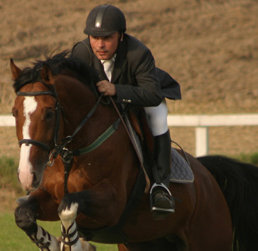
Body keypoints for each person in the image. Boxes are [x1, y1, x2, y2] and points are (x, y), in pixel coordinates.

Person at [71, 4, 181, 218]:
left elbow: (151, 94)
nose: (100, 45)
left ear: (121, 36)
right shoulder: (81, 52)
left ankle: (161, 186)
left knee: (158, 115)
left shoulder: (138, 53)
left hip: (141, 95)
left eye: (107, 38)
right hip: (103, 103)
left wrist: (116, 90)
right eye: (94, 37)